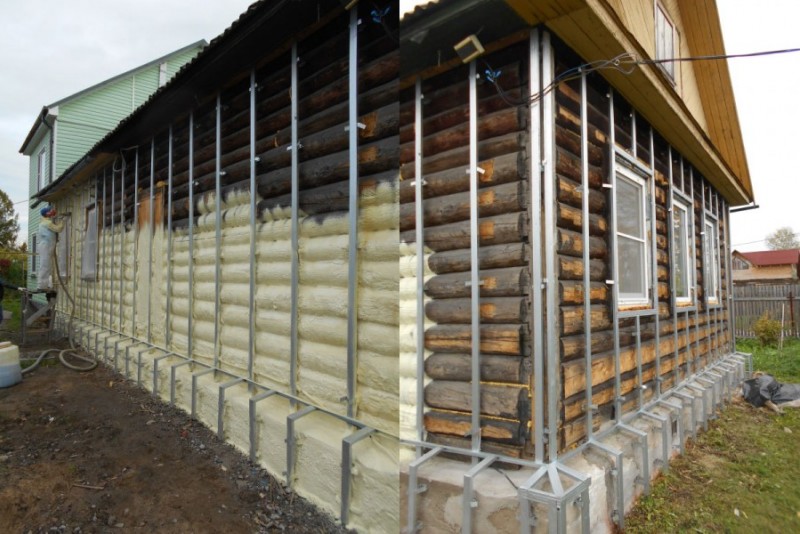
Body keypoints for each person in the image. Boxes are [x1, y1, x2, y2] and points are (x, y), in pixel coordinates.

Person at [37, 205, 64, 292]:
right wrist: (63, 221)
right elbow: (58, 229)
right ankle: (41, 286)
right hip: (46, 245)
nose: (52, 212)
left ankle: (46, 284)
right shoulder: (47, 223)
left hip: (46, 245)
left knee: (47, 265)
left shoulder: (44, 222)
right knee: (45, 265)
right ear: (47, 213)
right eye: (50, 211)